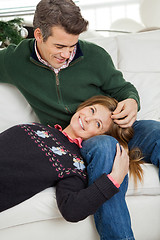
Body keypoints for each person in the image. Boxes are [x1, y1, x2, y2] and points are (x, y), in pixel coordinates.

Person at [0, 0, 159, 239]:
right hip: (78, 143)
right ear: (39, 35)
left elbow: (123, 88)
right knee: (106, 147)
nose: (67, 54)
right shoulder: (16, 60)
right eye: (60, 46)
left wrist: (131, 101)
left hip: (111, 124)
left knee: (156, 132)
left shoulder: (94, 56)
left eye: (72, 46)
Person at [0, 95, 135, 219]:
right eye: (92, 110)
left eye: (97, 124)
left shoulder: (74, 163)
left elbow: (72, 210)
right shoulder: (38, 127)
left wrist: (114, 180)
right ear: (83, 106)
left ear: (100, 137)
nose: (88, 118)